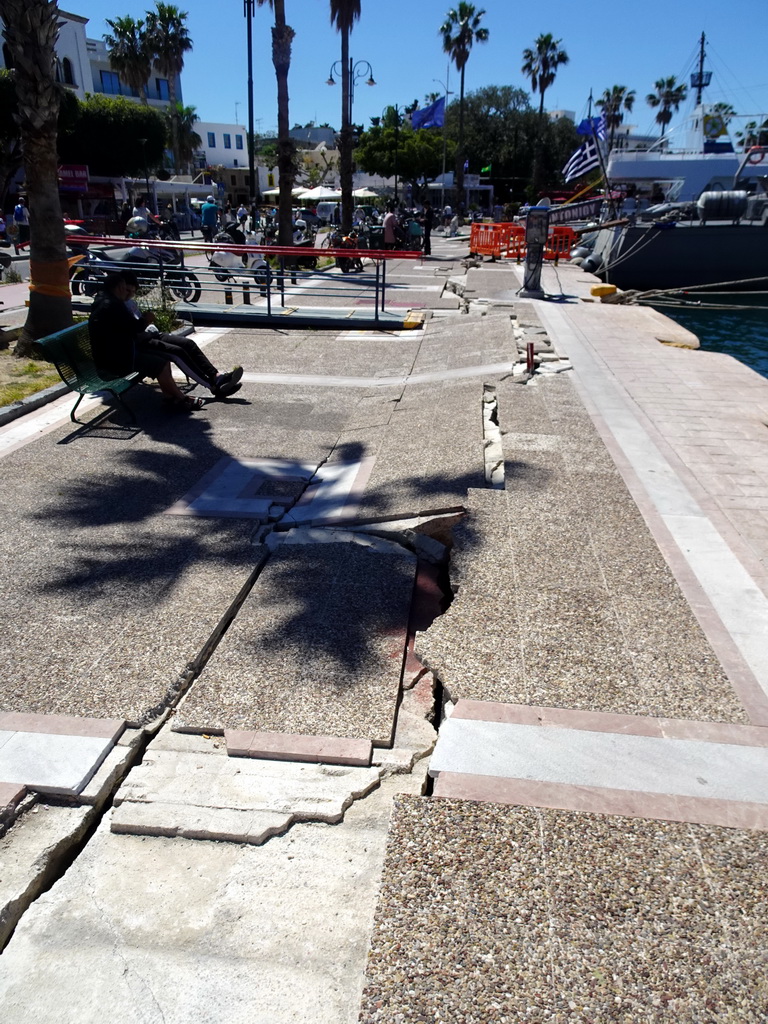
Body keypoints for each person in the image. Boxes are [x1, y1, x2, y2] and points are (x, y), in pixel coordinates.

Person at [89, 270, 243, 412]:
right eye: (125, 289)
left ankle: (216, 376)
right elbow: (133, 329)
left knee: (187, 344)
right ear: (118, 287)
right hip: (132, 349)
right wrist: (146, 320)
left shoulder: (114, 301)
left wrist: (146, 325)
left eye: (132, 291)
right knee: (176, 353)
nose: (128, 293)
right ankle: (214, 387)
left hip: (143, 338)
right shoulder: (112, 304)